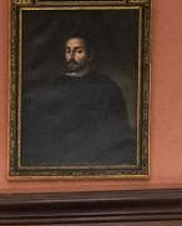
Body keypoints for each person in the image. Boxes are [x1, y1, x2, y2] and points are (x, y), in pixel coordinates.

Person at [20, 33, 135, 167]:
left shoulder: (105, 86)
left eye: (78, 51)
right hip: (59, 157)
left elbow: (118, 132)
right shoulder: (53, 86)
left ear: (90, 55)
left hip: (95, 157)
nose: (71, 57)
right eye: (68, 51)